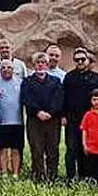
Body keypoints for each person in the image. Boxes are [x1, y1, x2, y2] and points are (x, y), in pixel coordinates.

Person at [62, 47, 98, 182]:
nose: (80, 62)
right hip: (72, 119)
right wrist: (63, 115)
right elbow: (64, 97)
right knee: (71, 148)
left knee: (86, 148)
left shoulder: (96, 78)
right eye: (77, 60)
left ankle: (85, 176)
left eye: (83, 59)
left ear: (88, 60)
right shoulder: (69, 77)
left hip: (90, 119)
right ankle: (70, 177)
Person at [21, 52, 64, 182]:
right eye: (38, 63)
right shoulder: (27, 82)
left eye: (43, 63)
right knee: (37, 149)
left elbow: (59, 99)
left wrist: (50, 112)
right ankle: (38, 176)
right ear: (34, 65)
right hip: (35, 120)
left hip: (52, 120)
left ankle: (52, 176)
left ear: (47, 64)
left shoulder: (55, 81)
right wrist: (38, 112)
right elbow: (26, 99)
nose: (40, 65)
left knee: (52, 149)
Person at [0, 58, 24, 177]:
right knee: (2, 148)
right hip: (1, 121)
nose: (6, 70)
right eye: (3, 68)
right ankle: (4, 172)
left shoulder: (21, 82)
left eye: (9, 67)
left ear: (14, 69)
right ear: (0, 70)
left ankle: (16, 173)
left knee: (16, 149)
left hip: (17, 121)